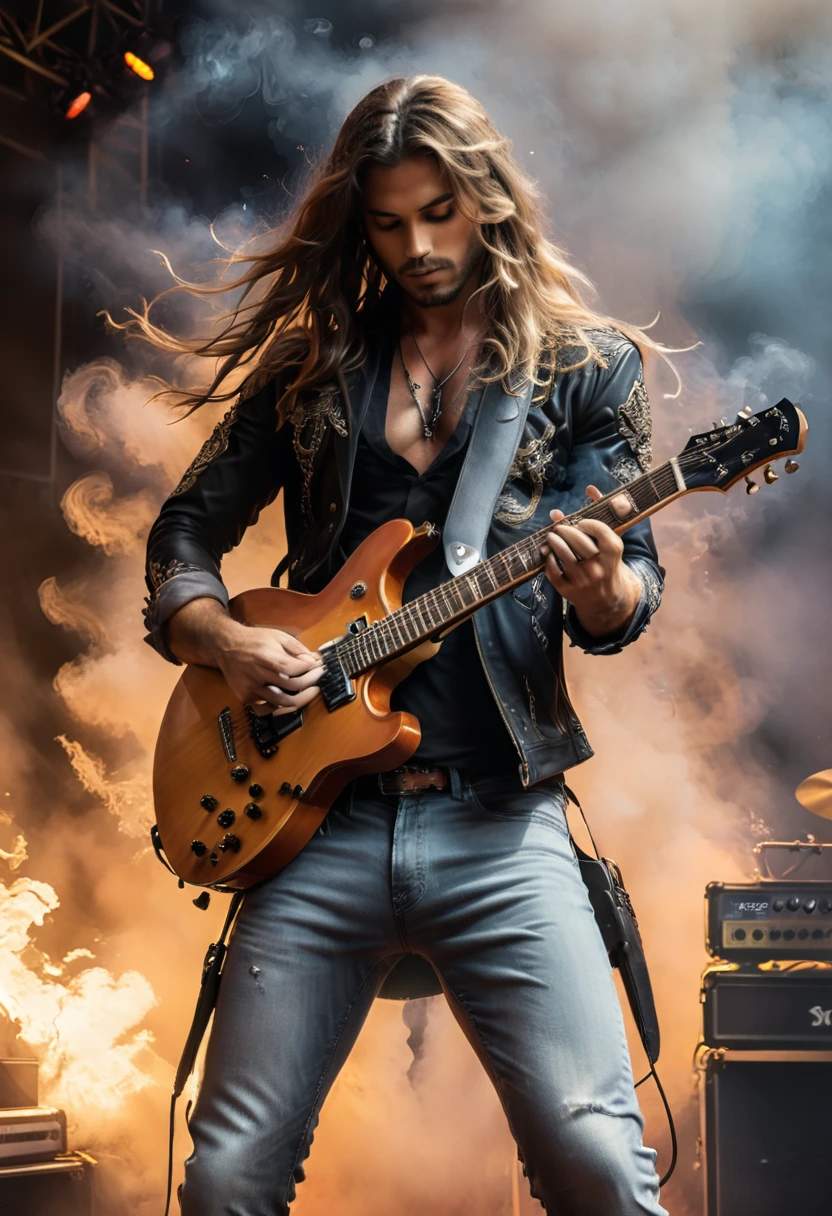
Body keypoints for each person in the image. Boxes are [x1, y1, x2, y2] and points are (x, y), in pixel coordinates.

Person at [137, 75, 668, 1215]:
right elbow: (185, 530)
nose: (418, 246)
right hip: (313, 823)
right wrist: (223, 639)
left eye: (439, 212)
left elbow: (626, 599)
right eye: (387, 222)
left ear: (485, 198)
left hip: (496, 818)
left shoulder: (585, 367)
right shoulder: (310, 363)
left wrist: (605, 584)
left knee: (596, 1165)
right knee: (226, 1178)